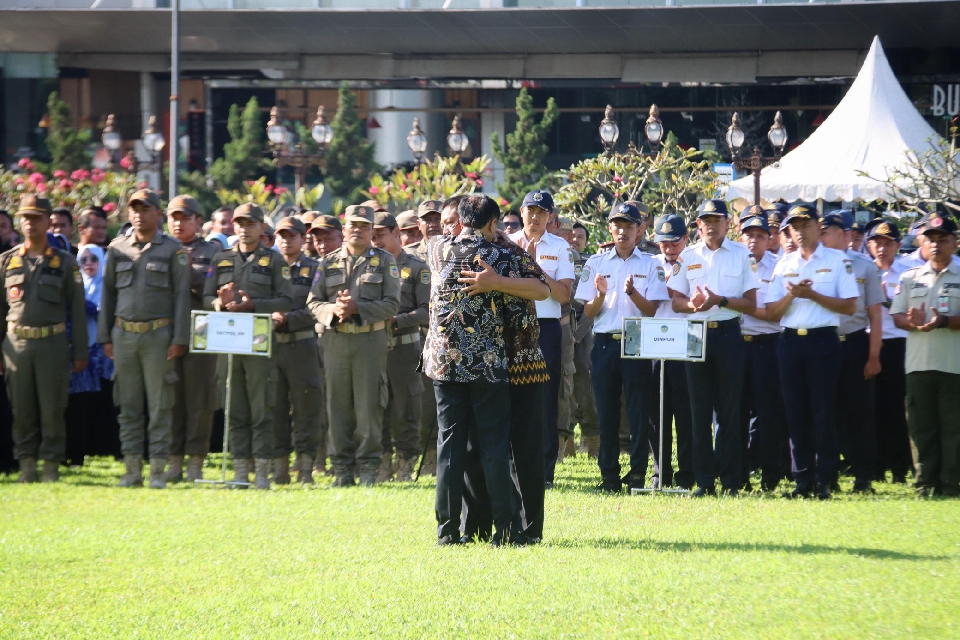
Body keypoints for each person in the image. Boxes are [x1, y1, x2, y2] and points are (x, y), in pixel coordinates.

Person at [423, 194, 535, 546]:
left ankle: (447, 532)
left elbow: (441, 238)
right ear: (492, 224)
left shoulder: (436, 249)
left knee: (450, 447)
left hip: (443, 364)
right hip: (486, 367)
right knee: (493, 447)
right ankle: (505, 530)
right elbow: (537, 294)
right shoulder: (501, 257)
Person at [765, 204, 859, 500]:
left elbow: (850, 306)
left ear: (818, 227)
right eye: (795, 226)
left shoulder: (837, 259)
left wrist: (813, 295)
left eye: (805, 225)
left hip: (823, 342)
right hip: (790, 342)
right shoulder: (784, 263)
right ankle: (802, 479)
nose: (800, 231)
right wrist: (792, 296)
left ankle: (825, 480)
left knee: (823, 411)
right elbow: (771, 312)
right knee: (795, 413)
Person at [99, 190, 190, 489]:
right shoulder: (116, 249)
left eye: (145, 208)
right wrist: (105, 337)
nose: (139, 214)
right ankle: (132, 470)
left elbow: (181, 298)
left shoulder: (173, 250)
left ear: (158, 213)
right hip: (123, 336)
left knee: (161, 406)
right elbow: (108, 295)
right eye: (134, 209)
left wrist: (179, 338)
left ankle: (158, 472)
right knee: (128, 405)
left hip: (159, 336)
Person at [576, 202, 667, 493]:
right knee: (607, 412)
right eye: (619, 226)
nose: (624, 231)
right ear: (610, 229)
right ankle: (610, 477)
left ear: (639, 230)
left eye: (630, 226)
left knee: (639, 412)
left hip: (637, 340)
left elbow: (652, 310)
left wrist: (632, 292)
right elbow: (589, 313)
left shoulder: (651, 263)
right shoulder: (596, 263)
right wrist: (601, 295)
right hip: (604, 343)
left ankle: (638, 473)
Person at [669, 199, 758, 497]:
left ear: (727, 223)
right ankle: (705, 482)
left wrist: (720, 300)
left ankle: (731, 481)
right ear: (697, 225)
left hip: (728, 335)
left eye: (717, 219)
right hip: (696, 334)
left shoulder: (742, 254)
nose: (711, 224)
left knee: (730, 410)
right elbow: (676, 301)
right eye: (705, 220)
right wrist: (692, 306)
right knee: (699, 411)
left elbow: (751, 303)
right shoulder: (688, 256)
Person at [307, 204, 399, 486]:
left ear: (372, 231)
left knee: (369, 405)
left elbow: (393, 304)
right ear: (344, 230)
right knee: (337, 405)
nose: (357, 230)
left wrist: (357, 308)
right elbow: (313, 301)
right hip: (336, 339)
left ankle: (369, 468)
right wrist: (334, 311)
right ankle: (342, 469)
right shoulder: (328, 261)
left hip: (370, 340)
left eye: (364, 226)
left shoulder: (385, 262)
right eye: (353, 225)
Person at [204, 202, 292, 490]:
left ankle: (263, 473)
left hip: (258, 342)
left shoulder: (275, 261)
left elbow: (286, 300)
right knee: (234, 407)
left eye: (250, 224)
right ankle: (240, 471)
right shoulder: (221, 259)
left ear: (261, 228)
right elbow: (207, 297)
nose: (243, 229)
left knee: (261, 407)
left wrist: (256, 306)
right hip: (228, 343)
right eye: (239, 223)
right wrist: (221, 303)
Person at [1, 195, 87, 483]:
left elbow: (77, 309)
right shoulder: (7, 261)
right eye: (25, 217)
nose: (29, 223)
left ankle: (50, 464)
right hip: (17, 345)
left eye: (36, 217)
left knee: (52, 407)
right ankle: (27, 465)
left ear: (49, 221)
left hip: (53, 344)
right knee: (21, 408)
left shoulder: (65, 262)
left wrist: (80, 353)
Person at [890, 213, 960, 496]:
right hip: (918, 365)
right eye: (931, 240)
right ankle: (926, 483)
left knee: (953, 428)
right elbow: (897, 317)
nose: (936, 245)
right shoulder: (910, 278)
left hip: (953, 365)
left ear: (954, 242)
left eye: (942, 240)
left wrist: (944, 322)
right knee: (921, 428)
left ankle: (950, 483)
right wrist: (913, 322)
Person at [509, 190, 574, 488]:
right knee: (512, 396)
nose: (535, 217)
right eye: (530, 210)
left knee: (546, 399)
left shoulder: (560, 247)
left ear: (550, 218)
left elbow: (563, 295)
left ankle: (545, 470)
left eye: (542, 212)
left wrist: (535, 269)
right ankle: (512, 465)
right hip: (512, 327)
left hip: (546, 327)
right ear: (521, 212)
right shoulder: (506, 243)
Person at [820, 211, 884, 493]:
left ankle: (863, 477)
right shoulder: (812, 264)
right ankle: (828, 476)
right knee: (826, 413)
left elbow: (875, 315)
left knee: (859, 413)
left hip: (855, 343)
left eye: (828, 231)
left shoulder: (865, 266)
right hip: (823, 343)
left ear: (844, 235)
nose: (822, 236)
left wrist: (873, 356)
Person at [165, 195, 220, 483]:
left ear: (198, 221)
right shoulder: (161, 250)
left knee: (200, 399)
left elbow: (215, 290)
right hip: (168, 332)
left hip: (202, 332)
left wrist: (189, 272)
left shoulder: (213, 251)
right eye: (174, 217)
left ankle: (196, 460)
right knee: (171, 399)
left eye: (185, 217)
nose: (178, 223)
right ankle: (173, 460)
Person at [371, 212, 430, 482]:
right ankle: (382, 462)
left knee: (407, 407)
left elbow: (427, 311)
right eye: (372, 236)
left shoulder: (417, 268)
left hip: (405, 347)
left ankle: (406, 462)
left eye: (380, 235)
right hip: (373, 346)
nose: (375, 241)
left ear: (396, 233)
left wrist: (396, 320)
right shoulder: (369, 266)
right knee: (377, 406)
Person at [738, 214, 789, 491]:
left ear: (769, 239)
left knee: (768, 413)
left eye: (760, 235)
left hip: (768, 344)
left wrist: (737, 305)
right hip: (735, 343)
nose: (754, 240)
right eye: (749, 235)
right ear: (741, 237)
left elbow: (776, 313)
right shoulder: (732, 262)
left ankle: (770, 475)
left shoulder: (778, 267)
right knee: (735, 413)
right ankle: (739, 475)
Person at [270, 216, 322, 484]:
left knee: (306, 407)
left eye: (292, 235)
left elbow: (318, 306)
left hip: (302, 344)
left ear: (303, 239)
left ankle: (305, 467)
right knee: (275, 408)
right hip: (270, 347)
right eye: (281, 235)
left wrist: (289, 319)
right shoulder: (267, 266)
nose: (286, 240)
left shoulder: (315, 268)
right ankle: (279, 467)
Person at [651, 213, 695, 489]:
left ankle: (687, 473)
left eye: (675, 242)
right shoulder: (650, 264)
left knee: (686, 414)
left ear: (686, 239)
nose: (669, 248)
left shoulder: (694, 261)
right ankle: (660, 473)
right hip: (655, 344)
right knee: (657, 416)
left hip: (685, 343)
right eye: (664, 242)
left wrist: (669, 290)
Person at [867, 221, 913, 483]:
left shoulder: (907, 273)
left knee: (897, 408)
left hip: (898, 345)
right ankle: (876, 466)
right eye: (877, 243)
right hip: (870, 344)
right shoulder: (863, 270)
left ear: (897, 245)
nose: (882, 248)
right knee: (871, 409)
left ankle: (899, 468)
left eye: (887, 243)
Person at [65, 244, 117, 468]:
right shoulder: (75, 286)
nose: (88, 264)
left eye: (93, 259)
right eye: (83, 259)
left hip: (103, 352)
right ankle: (79, 452)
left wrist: (94, 310)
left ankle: (108, 448)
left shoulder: (108, 286)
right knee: (80, 404)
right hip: (80, 351)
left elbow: (110, 313)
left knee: (105, 402)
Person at [308, 214, 344, 476]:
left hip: (338, 340)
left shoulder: (346, 265)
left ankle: (338, 456)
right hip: (312, 343)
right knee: (316, 402)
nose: (322, 244)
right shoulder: (311, 266)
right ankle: (319, 458)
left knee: (338, 401)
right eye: (317, 239)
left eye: (328, 238)